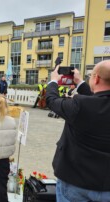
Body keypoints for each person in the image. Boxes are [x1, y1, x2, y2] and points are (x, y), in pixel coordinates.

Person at [46, 61, 110, 201]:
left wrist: (53, 81)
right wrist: (80, 82)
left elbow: (52, 101)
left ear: (97, 78)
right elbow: (99, 101)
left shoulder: (80, 104)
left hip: (75, 181)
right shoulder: (87, 103)